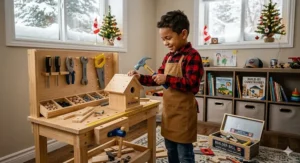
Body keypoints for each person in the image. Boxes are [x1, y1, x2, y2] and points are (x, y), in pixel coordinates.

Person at [128, 10, 203, 163]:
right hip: (169, 112)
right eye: (163, 39)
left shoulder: (192, 56)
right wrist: (140, 77)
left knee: (184, 154)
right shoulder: (168, 57)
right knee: (170, 149)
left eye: (168, 38)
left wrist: (167, 78)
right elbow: (157, 79)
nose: (165, 43)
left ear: (183, 34)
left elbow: (192, 85)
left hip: (184, 114)